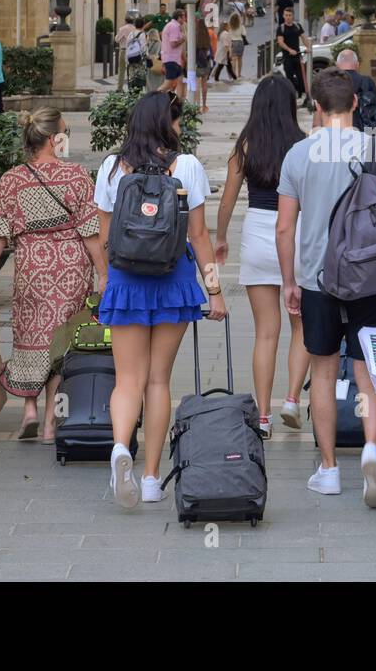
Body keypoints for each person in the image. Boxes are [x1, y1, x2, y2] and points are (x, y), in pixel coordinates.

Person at [276, 68, 376, 508]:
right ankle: (373, 449)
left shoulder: (298, 155)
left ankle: (329, 469)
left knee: (322, 371)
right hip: (371, 277)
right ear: (356, 104)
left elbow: (285, 227)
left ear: (316, 108)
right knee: (367, 370)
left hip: (318, 279)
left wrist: (289, 282)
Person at [96, 92, 227, 507]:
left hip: (126, 281)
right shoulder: (186, 166)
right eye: (176, 119)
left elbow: (103, 238)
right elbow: (200, 237)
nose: (180, 126)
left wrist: (105, 281)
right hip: (173, 281)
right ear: (164, 123)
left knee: (127, 379)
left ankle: (121, 447)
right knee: (158, 380)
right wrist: (215, 290)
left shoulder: (112, 168)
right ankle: (152, 478)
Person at [0, 108, 108, 443]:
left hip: (30, 267)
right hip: (70, 270)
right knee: (61, 342)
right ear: (54, 140)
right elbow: (91, 234)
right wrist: (103, 273)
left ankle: (29, 411)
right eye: (66, 132)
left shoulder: (12, 180)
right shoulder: (77, 177)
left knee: (29, 337)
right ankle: (51, 422)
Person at [215, 77, 310, 438]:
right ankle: (291, 401)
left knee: (265, 333)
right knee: (300, 326)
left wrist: (221, 238)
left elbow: (227, 201)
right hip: (296, 234)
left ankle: (264, 417)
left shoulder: (245, 145)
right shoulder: (303, 145)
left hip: (257, 235)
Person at [332, 49, 376, 139]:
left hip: (336, 134)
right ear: (357, 65)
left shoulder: (330, 83)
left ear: (337, 65)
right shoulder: (367, 82)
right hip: (365, 134)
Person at [276, 6, 306, 98]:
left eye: (290, 15)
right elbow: (280, 42)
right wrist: (289, 50)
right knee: (289, 77)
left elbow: (304, 38)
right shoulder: (281, 28)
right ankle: (292, 94)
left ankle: (301, 94)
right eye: (286, 15)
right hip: (287, 57)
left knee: (301, 76)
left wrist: (308, 47)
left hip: (297, 56)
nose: (288, 17)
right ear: (283, 16)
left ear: (293, 16)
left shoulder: (297, 26)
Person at [159, 9, 186, 99]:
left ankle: (178, 103)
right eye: (183, 17)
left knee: (180, 82)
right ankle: (153, 97)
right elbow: (173, 44)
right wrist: (183, 39)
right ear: (179, 18)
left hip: (174, 59)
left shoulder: (173, 26)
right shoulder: (174, 27)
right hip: (171, 59)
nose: (185, 19)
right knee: (168, 84)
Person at [194, 15, 213, 113]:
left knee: (196, 85)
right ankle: (204, 105)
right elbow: (211, 50)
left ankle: (197, 106)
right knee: (204, 84)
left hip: (197, 64)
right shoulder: (207, 36)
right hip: (206, 63)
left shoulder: (195, 36)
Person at [213, 15, 234, 82]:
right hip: (224, 52)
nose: (229, 27)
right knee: (222, 66)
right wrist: (229, 53)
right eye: (228, 25)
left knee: (225, 66)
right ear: (226, 27)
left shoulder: (221, 33)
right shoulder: (225, 34)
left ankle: (233, 77)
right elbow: (226, 45)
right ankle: (215, 78)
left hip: (222, 52)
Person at [227, 11, 247, 80]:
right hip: (240, 42)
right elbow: (244, 34)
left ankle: (233, 75)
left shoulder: (229, 26)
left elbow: (227, 35)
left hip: (232, 43)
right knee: (240, 59)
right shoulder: (241, 25)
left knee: (233, 60)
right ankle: (239, 74)